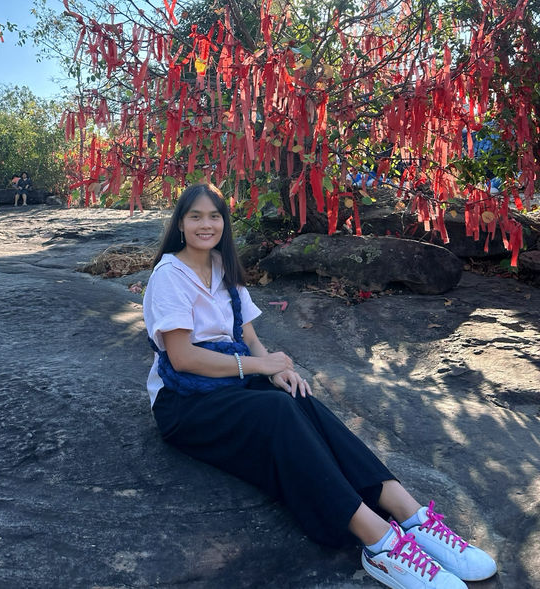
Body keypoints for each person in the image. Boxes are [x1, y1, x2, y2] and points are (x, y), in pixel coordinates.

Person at [143, 183, 497, 589]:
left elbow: (249, 334)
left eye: (215, 216)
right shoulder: (170, 274)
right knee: (276, 412)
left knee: (299, 398)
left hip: (228, 381)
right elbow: (182, 358)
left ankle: (411, 516)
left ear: (225, 221)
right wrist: (259, 365)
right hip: (185, 403)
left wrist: (274, 369)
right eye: (196, 216)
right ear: (180, 224)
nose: (206, 224)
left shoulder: (224, 268)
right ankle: (380, 543)